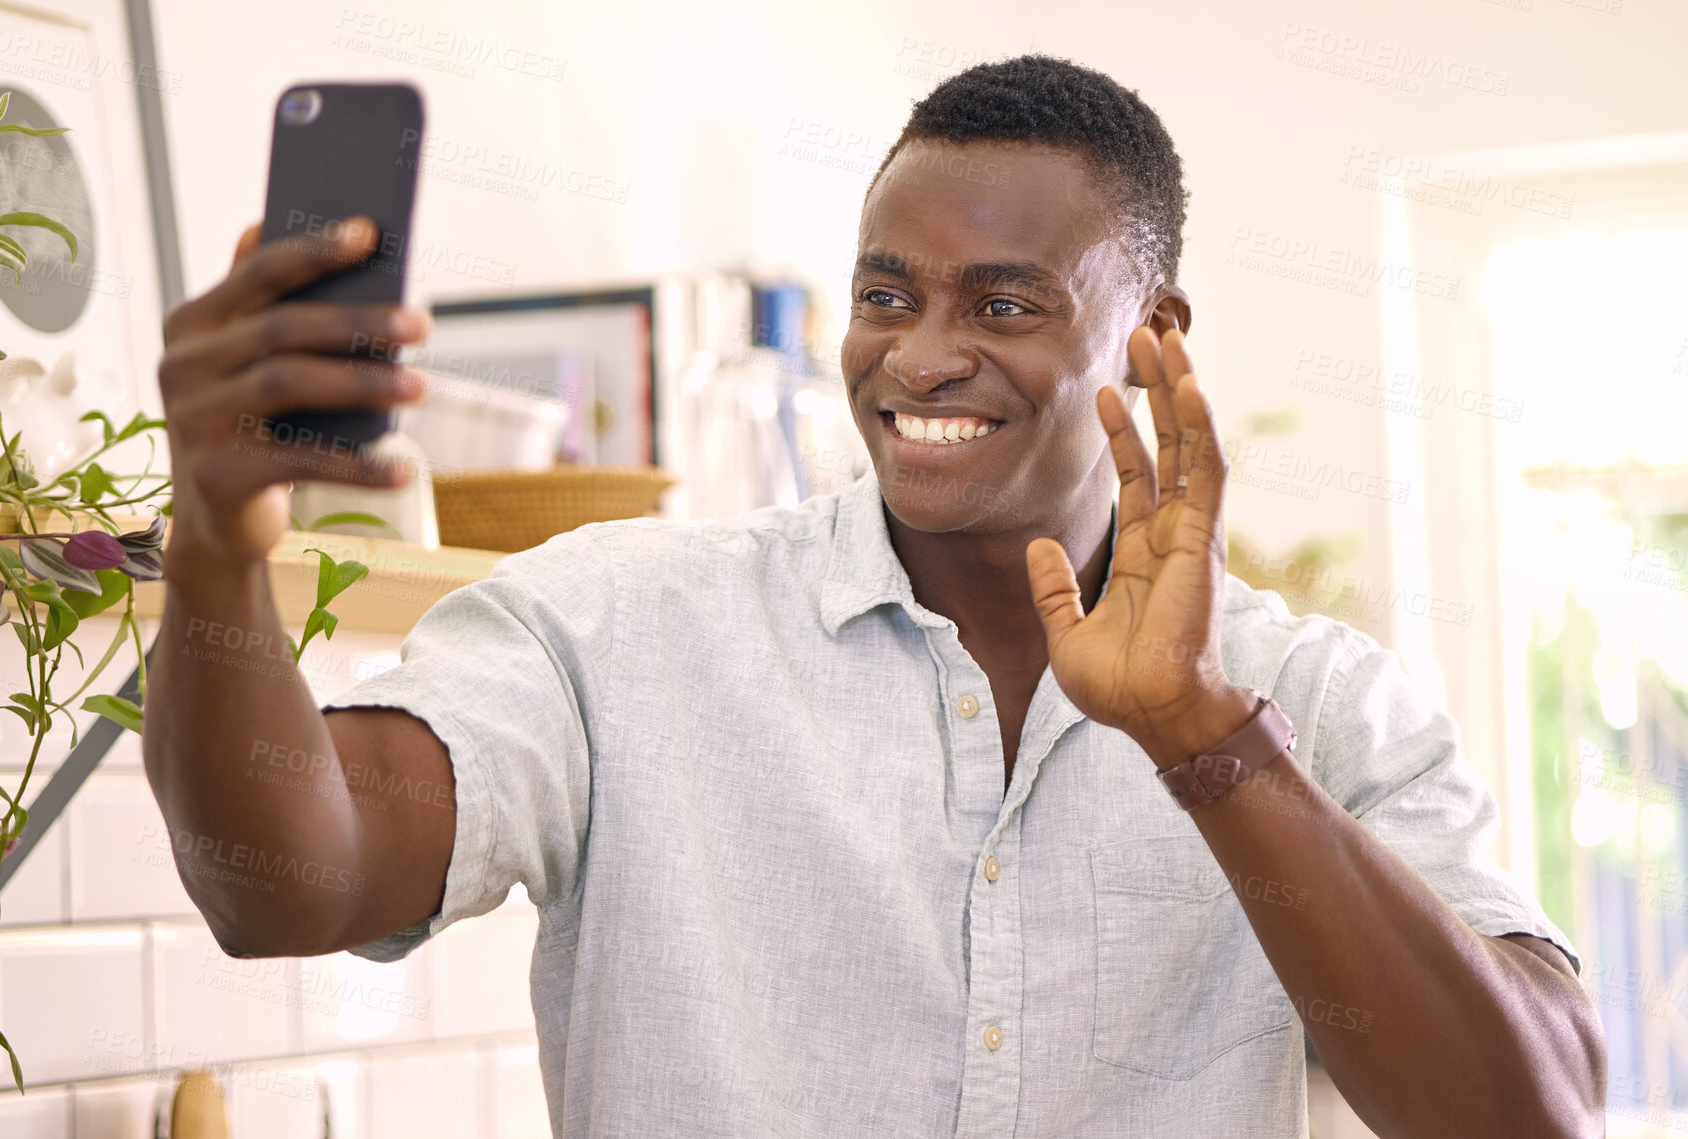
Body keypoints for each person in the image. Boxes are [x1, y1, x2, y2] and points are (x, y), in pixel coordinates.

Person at [146, 54, 1605, 1137]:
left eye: (1004, 304)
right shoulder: (615, 628)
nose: (917, 357)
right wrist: (214, 538)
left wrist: (1207, 745)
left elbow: (1518, 1114)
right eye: (887, 296)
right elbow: (287, 885)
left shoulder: (1323, 704)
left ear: (1151, 332)